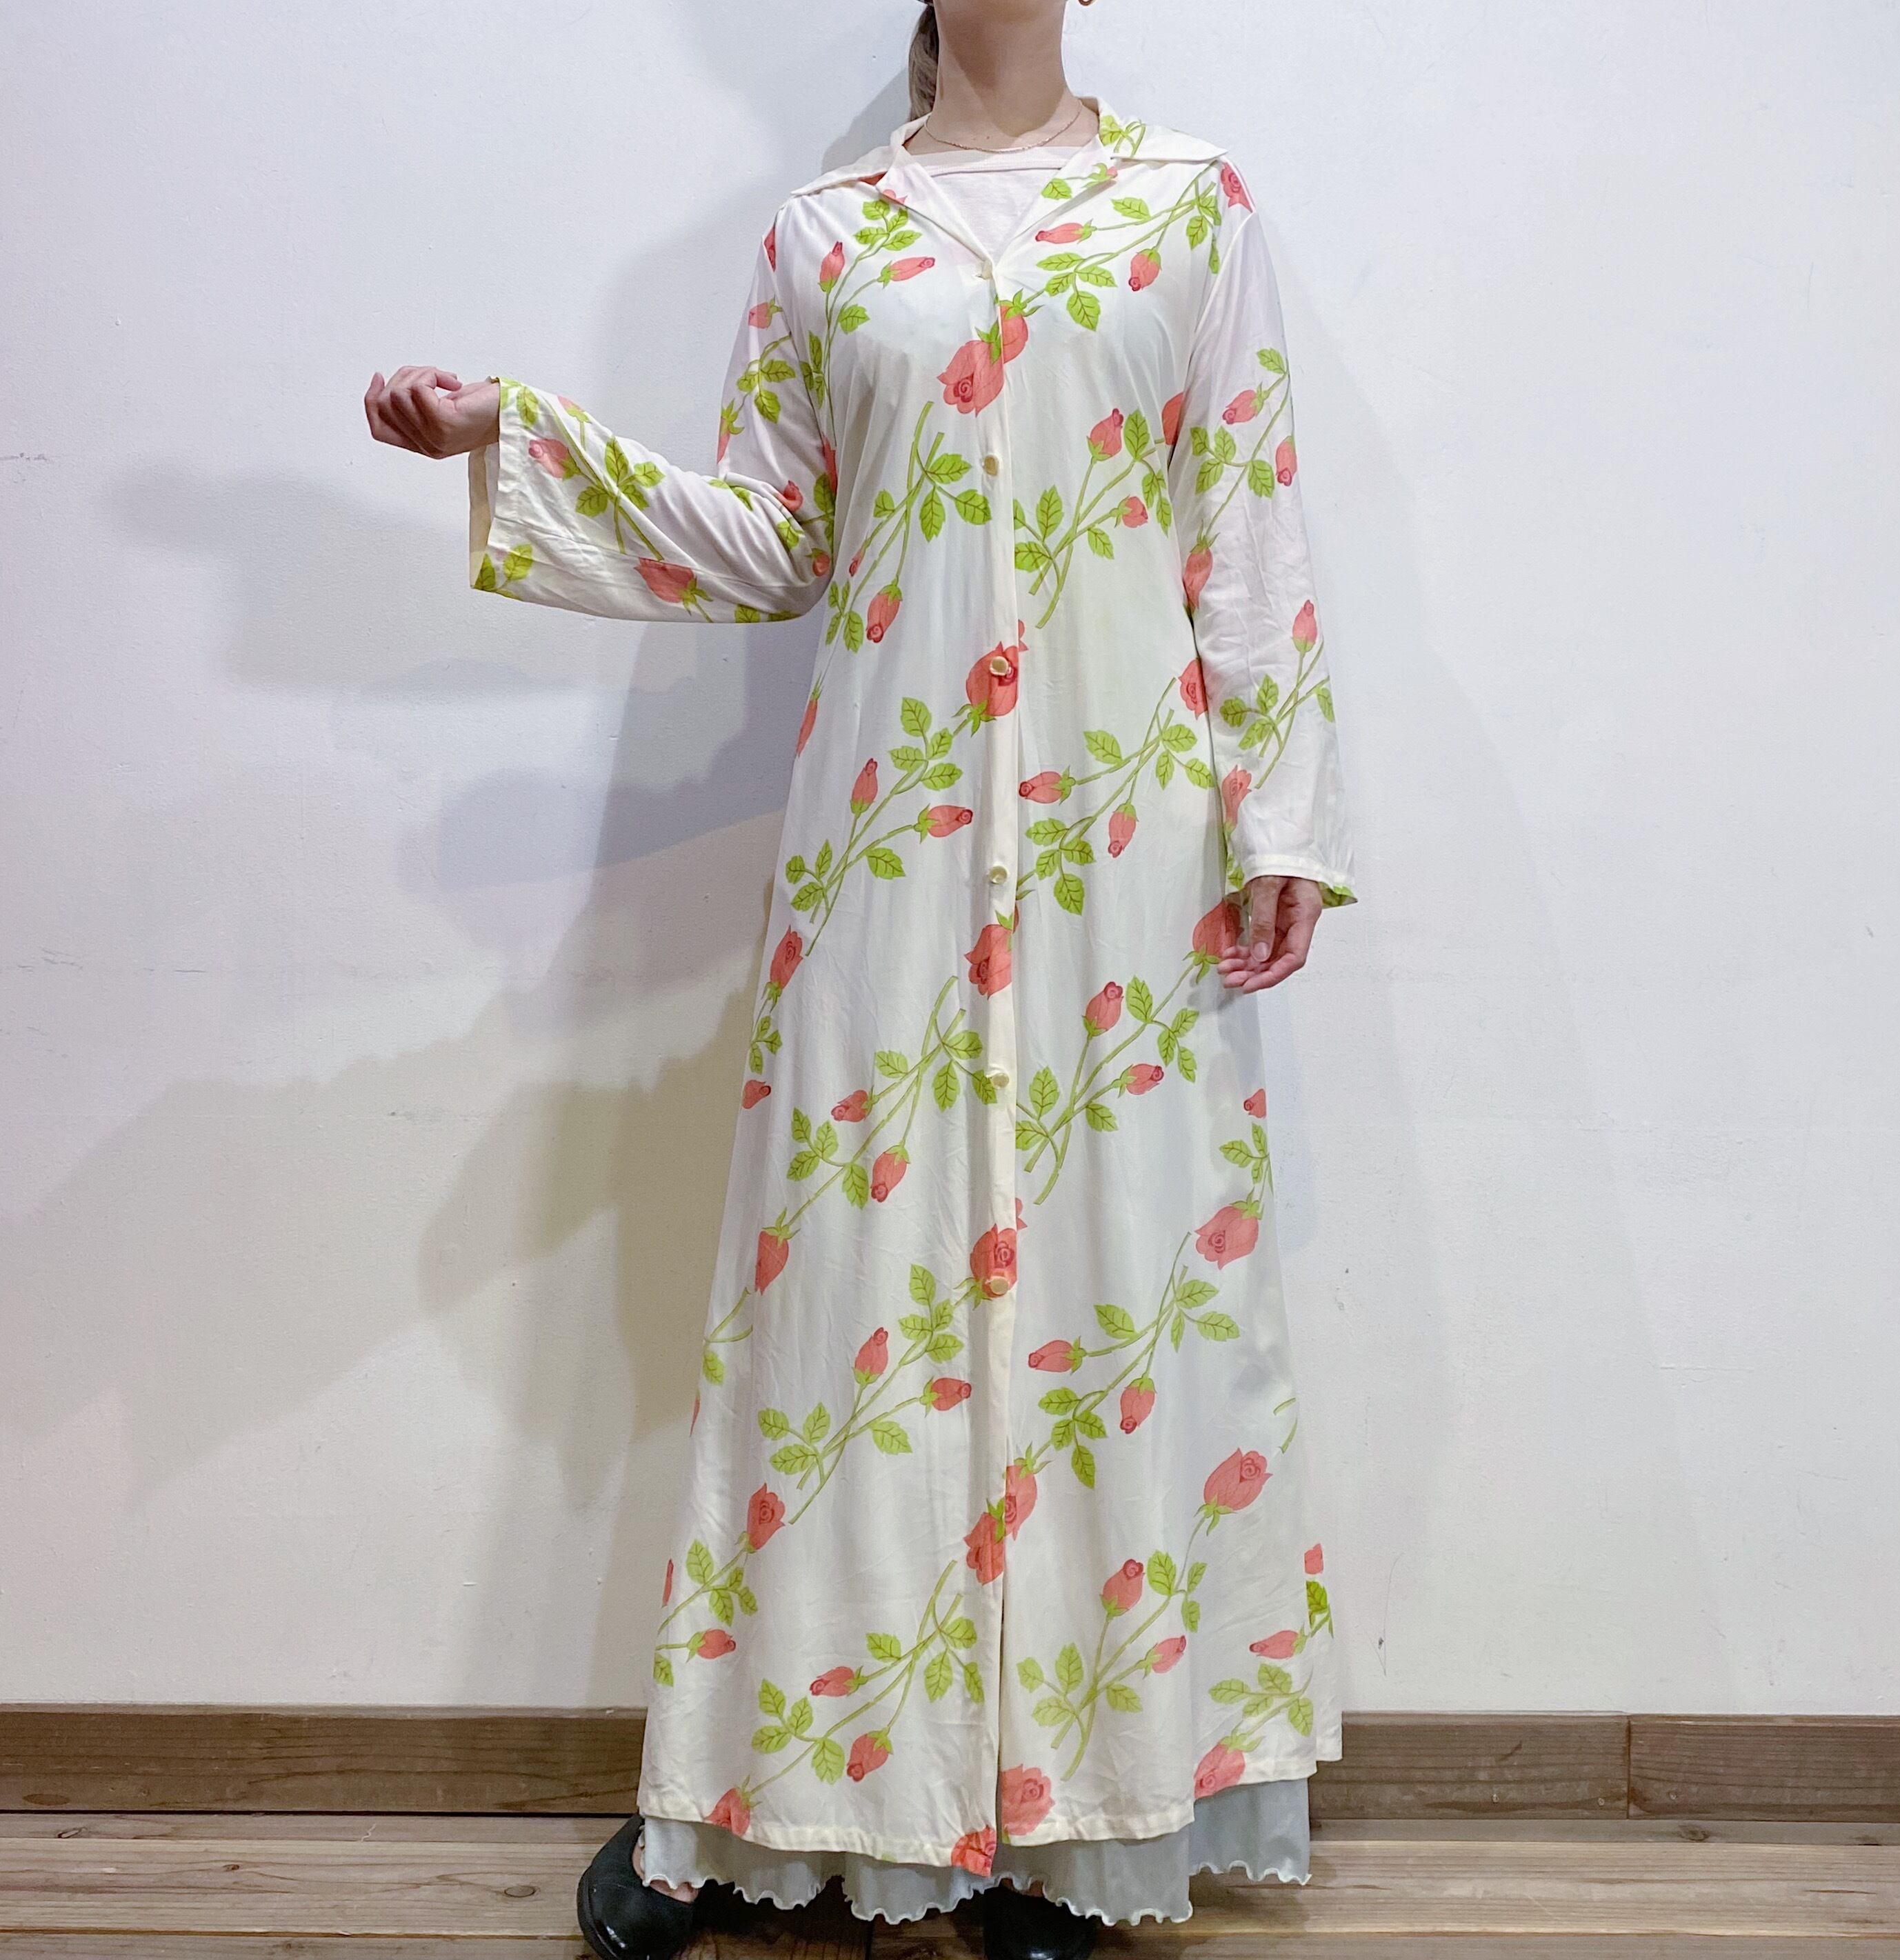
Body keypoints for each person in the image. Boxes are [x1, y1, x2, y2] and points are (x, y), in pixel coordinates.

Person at [366, 3, 1355, 1956]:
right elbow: (773, 537)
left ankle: (1068, 1824)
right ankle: (750, 1799)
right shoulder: (827, 236)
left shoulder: (1189, 208)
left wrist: (1280, 819)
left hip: (1123, 854)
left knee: (1107, 1302)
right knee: (844, 1307)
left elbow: (1243, 514)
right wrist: (521, 439)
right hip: (886, 846)